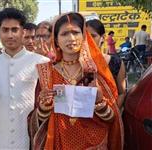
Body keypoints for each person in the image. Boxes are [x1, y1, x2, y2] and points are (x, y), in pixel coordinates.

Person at [28, 12, 123, 150]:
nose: (71, 38)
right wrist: (43, 107)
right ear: (56, 40)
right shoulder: (46, 72)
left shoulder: (95, 71)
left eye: (75, 32)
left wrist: (99, 101)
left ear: (84, 36)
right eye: (65, 34)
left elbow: (112, 119)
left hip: (95, 143)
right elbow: (37, 120)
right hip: (58, 143)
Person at [0, 8, 49, 150]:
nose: (10, 35)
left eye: (14, 30)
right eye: (5, 30)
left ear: (23, 32)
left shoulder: (41, 63)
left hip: (31, 138)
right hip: (0, 140)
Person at [86, 19, 126, 108]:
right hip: (83, 118)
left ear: (102, 38)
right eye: (85, 36)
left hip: (109, 116)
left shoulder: (116, 62)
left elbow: (122, 93)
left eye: (93, 36)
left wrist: (112, 114)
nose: (88, 40)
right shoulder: (77, 63)